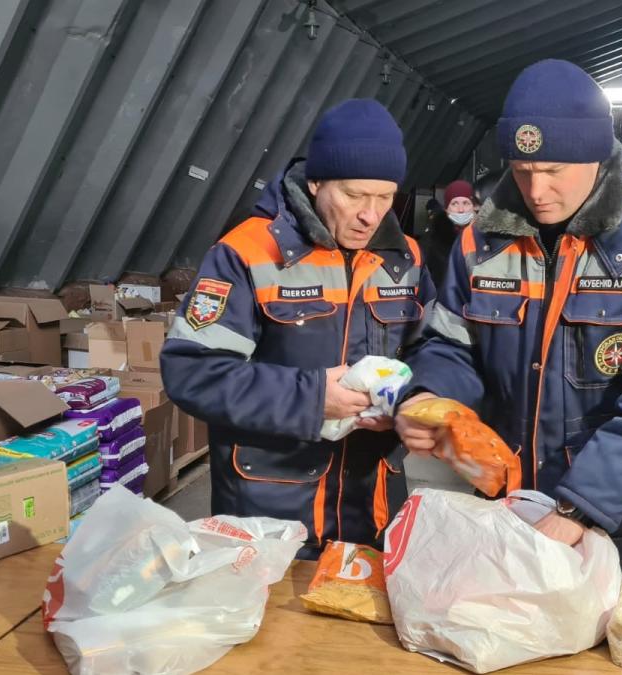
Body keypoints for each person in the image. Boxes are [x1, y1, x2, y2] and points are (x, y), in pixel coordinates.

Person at [395, 59, 622, 590]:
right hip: (515, 514)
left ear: (596, 156)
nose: (536, 189)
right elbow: (451, 344)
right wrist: (428, 398)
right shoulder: (481, 242)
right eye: (522, 172)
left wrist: (579, 508)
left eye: (552, 171)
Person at [162, 99, 433, 559]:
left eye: (385, 197)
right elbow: (193, 373)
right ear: (315, 182)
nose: (371, 214)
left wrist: (416, 398)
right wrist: (310, 398)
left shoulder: (405, 259)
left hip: (373, 507)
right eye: (354, 195)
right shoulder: (246, 253)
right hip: (270, 514)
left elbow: (429, 349)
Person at [421, 180, 476, 288]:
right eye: (454, 204)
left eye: (466, 203)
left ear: (474, 207)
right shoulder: (429, 244)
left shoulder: (485, 240)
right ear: (446, 209)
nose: (461, 210)